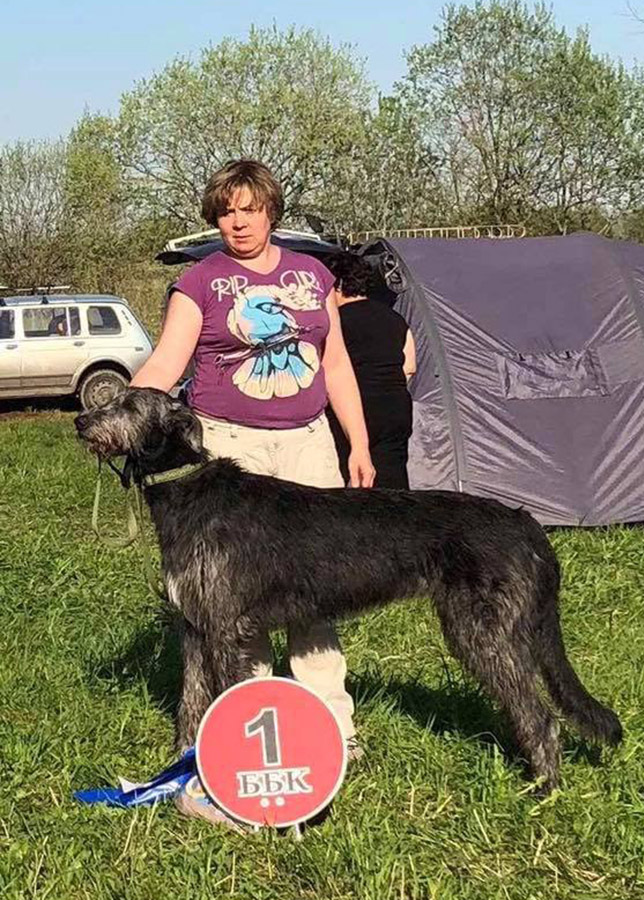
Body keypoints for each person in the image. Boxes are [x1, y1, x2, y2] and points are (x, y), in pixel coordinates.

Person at [130, 159, 374, 825]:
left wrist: (357, 442)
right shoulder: (199, 282)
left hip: (306, 440)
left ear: (271, 210)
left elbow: (335, 363)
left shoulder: (311, 275)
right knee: (238, 605)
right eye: (224, 211)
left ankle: (331, 726)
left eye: (248, 209)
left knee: (314, 590)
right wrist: (129, 408)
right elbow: (166, 364)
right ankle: (255, 729)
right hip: (230, 446)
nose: (236, 222)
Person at [324, 253, 416, 489]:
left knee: (352, 481)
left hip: (354, 410)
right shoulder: (395, 319)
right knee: (392, 484)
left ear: (338, 285)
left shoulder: (334, 323)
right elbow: (410, 367)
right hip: (395, 409)